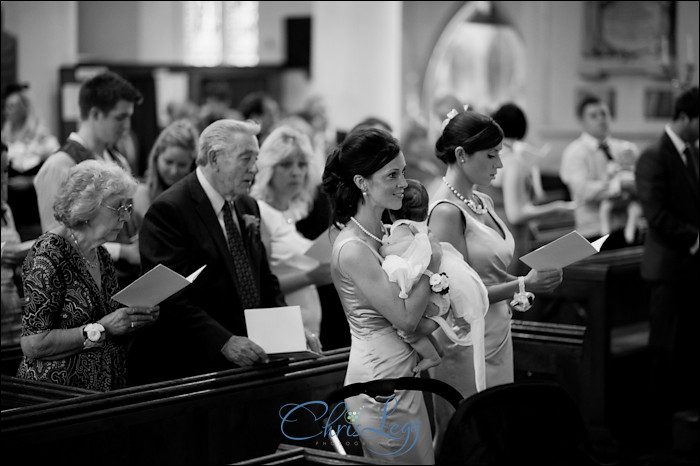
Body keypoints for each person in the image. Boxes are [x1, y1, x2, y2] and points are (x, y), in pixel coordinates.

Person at [128, 119, 321, 385]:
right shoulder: (171, 210)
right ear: (214, 158)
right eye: (245, 159)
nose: (254, 168)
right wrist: (224, 341)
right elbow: (171, 297)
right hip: (195, 362)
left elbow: (263, 278)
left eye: (255, 159)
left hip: (250, 358)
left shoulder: (247, 205)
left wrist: (290, 330)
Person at [426, 107, 563, 444]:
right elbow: (457, 295)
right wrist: (523, 283)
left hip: (498, 329)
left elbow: (492, 270)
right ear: (460, 155)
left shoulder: (482, 201)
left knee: (497, 431)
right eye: (491, 155)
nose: (499, 165)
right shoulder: (446, 212)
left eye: (500, 154)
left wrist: (521, 289)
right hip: (466, 341)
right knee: (469, 435)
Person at [322, 127, 442, 463]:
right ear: (362, 183)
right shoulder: (352, 249)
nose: (404, 183)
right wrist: (429, 262)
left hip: (404, 373)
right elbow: (404, 317)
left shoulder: (388, 233)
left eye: (403, 172)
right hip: (378, 383)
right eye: (392, 175)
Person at [15, 160, 159, 391]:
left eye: (128, 208)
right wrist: (102, 328)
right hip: (57, 394)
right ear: (86, 208)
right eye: (118, 208)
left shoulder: (100, 253)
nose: (125, 217)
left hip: (102, 389)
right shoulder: (48, 255)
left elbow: (109, 320)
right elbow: (33, 344)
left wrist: (134, 317)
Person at [33, 71, 144, 286]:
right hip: (81, 290)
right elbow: (57, 244)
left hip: (122, 279)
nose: (127, 126)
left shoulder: (117, 159)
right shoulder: (60, 165)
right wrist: (125, 252)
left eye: (129, 117)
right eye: (120, 117)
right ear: (95, 114)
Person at [635, 86, 699, 448]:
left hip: (690, 269)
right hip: (668, 269)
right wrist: (695, 237)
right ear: (686, 117)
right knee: (665, 350)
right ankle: (657, 431)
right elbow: (656, 215)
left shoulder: (692, 154)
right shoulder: (654, 156)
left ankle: (683, 424)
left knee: (688, 348)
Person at [381, 179, 489, 386]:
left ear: (393, 212)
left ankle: (432, 356)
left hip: (427, 299)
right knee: (418, 329)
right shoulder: (424, 229)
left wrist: (383, 249)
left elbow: (400, 247)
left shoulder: (402, 228)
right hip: (439, 293)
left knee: (408, 332)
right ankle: (435, 350)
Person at [250, 125, 332, 337]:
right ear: (268, 167)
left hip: (308, 323)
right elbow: (260, 285)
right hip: (280, 327)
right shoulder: (259, 212)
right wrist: (312, 276)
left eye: (302, 165)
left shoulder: (293, 212)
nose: (296, 172)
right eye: (286, 164)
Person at [485, 103, 577, 274]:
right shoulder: (513, 163)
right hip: (510, 239)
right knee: (514, 294)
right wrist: (557, 209)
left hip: (489, 238)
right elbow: (516, 214)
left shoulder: (487, 158)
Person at [559, 95, 642, 250]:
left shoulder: (622, 148)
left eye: (604, 113)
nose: (601, 119)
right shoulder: (575, 152)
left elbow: (640, 183)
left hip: (627, 228)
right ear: (581, 121)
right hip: (594, 233)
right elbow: (584, 191)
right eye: (593, 115)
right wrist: (619, 186)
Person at [2, 83, 60, 238]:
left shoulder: (45, 142)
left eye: (12, 106)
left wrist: (28, 182)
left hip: (36, 213)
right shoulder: (4, 139)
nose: (7, 111)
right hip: (10, 215)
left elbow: (55, 176)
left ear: (25, 107)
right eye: (6, 106)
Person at [132, 119, 199, 225]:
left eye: (182, 165)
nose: (174, 171)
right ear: (157, 156)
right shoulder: (142, 192)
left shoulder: (197, 199)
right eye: (168, 162)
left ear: (192, 165)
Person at [1, 141, 31, 345]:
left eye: (4, 170)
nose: (3, 179)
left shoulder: (5, 211)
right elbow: (8, 253)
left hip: (14, 320)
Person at [599, 146, 643, 244]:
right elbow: (608, 180)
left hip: (631, 197)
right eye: (624, 157)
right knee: (605, 206)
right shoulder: (616, 168)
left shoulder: (636, 169)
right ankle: (604, 227)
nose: (626, 159)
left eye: (629, 157)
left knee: (634, 209)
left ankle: (630, 229)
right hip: (615, 195)